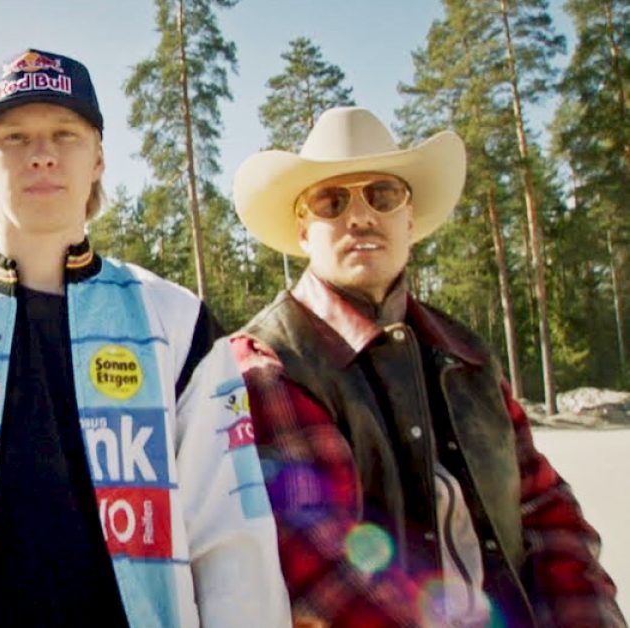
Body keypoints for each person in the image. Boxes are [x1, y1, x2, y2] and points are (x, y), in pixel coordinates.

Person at [0, 48, 290, 627]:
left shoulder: (178, 324)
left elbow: (233, 540)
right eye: (15, 137)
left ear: (98, 158)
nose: (42, 154)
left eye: (65, 134)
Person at [231, 106, 625, 627]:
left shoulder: (468, 356)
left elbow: (549, 518)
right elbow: (325, 571)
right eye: (332, 200)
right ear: (304, 230)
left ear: (409, 219)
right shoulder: (270, 364)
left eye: (383, 195)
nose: (361, 217)